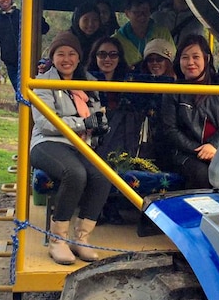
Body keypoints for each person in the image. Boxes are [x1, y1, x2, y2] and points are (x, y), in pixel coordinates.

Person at [30, 31, 111, 265]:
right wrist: (82, 123)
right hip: (48, 143)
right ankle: (58, 240)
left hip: (80, 145)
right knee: (74, 173)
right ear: (52, 58)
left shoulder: (88, 84)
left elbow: (96, 113)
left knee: (104, 176)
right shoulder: (43, 82)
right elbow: (45, 122)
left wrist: (99, 125)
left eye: (72, 54)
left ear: (79, 58)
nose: (66, 59)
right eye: (60, 54)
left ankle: (81, 238)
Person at [160, 34, 219, 188]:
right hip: (184, 153)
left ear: (206, 59)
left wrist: (214, 146)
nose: (190, 62)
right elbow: (170, 130)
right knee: (202, 175)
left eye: (195, 57)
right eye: (185, 57)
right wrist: (199, 151)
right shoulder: (173, 90)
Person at [0, 0, 50, 92]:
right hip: (12, 66)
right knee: (21, 94)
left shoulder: (24, 14)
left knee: (36, 93)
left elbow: (44, 29)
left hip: (31, 62)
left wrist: (35, 13)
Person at [126, 38, 177, 164]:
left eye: (159, 59)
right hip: (143, 133)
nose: (154, 63)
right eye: (150, 60)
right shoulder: (137, 82)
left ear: (168, 61)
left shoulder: (180, 83)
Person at [85, 36, 134, 158]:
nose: (107, 59)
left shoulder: (129, 84)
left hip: (120, 142)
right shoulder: (83, 81)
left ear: (119, 58)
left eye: (113, 55)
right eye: (102, 54)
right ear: (94, 57)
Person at [114, 0, 173, 66]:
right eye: (137, 12)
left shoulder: (162, 33)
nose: (142, 16)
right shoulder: (116, 39)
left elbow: (173, 58)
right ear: (127, 13)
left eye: (145, 12)